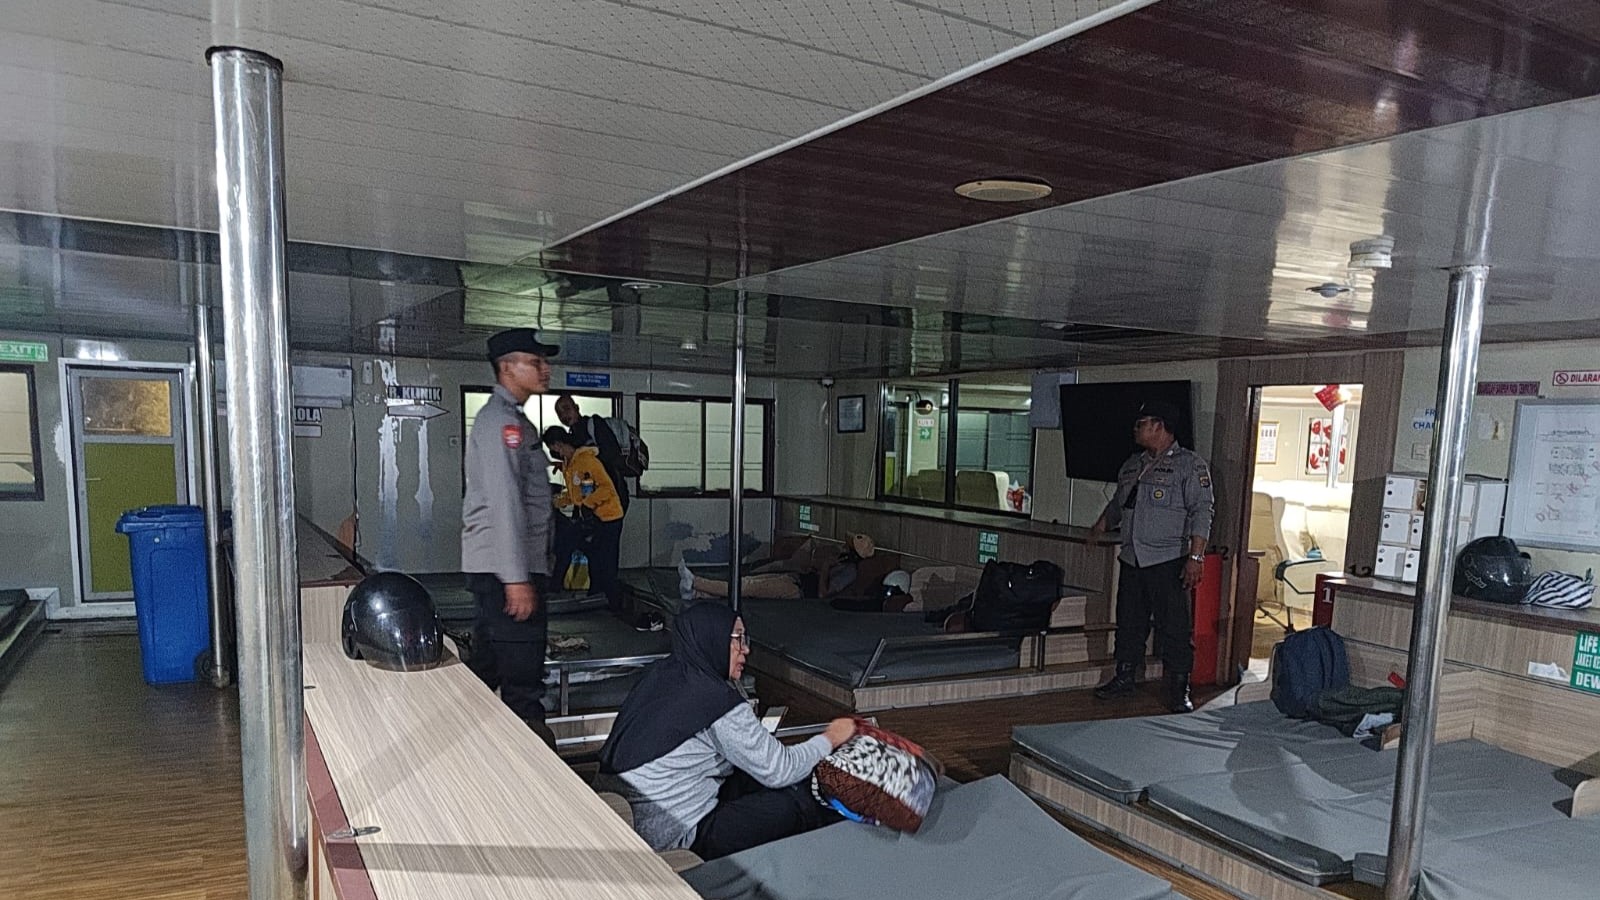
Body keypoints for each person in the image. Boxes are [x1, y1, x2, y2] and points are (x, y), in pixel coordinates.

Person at [594, 602, 857, 859]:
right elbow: (780, 770)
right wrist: (831, 737)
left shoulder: (661, 676)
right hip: (671, 837)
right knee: (791, 805)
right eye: (737, 639)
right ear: (713, 639)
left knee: (753, 776)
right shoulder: (715, 701)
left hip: (618, 816)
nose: (745, 649)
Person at [461, 328, 560, 746]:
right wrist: (516, 578)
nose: (545, 369)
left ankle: (470, 754)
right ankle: (536, 770)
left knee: (489, 669)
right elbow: (505, 502)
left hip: (503, 567)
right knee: (523, 683)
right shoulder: (501, 423)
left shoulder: (515, 421)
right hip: (508, 571)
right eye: (535, 361)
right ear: (507, 368)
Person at [1089, 400, 1214, 713]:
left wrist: (1196, 558)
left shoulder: (1189, 465)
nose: (1136, 429)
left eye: (1141, 424)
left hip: (1167, 560)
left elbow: (1202, 511)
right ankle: (1125, 676)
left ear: (1159, 426)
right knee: (1129, 622)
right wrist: (1100, 526)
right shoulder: (1133, 464)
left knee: (1174, 627)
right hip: (1133, 559)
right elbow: (1119, 504)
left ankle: (1179, 688)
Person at [542, 425, 627, 617]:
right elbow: (575, 495)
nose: (553, 453)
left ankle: (615, 604)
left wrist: (588, 504)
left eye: (552, 448)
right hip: (592, 517)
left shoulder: (587, 460)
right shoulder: (569, 464)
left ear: (558, 444)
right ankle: (595, 595)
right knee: (578, 549)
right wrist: (555, 502)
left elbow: (606, 488)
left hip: (609, 517)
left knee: (605, 561)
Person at [554, 393, 629, 512]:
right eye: (559, 413)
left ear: (577, 408)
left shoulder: (594, 425)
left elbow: (612, 454)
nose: (564, 415)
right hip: (590, 498)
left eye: (567, 409)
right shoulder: (572, 438)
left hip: (611, 495)